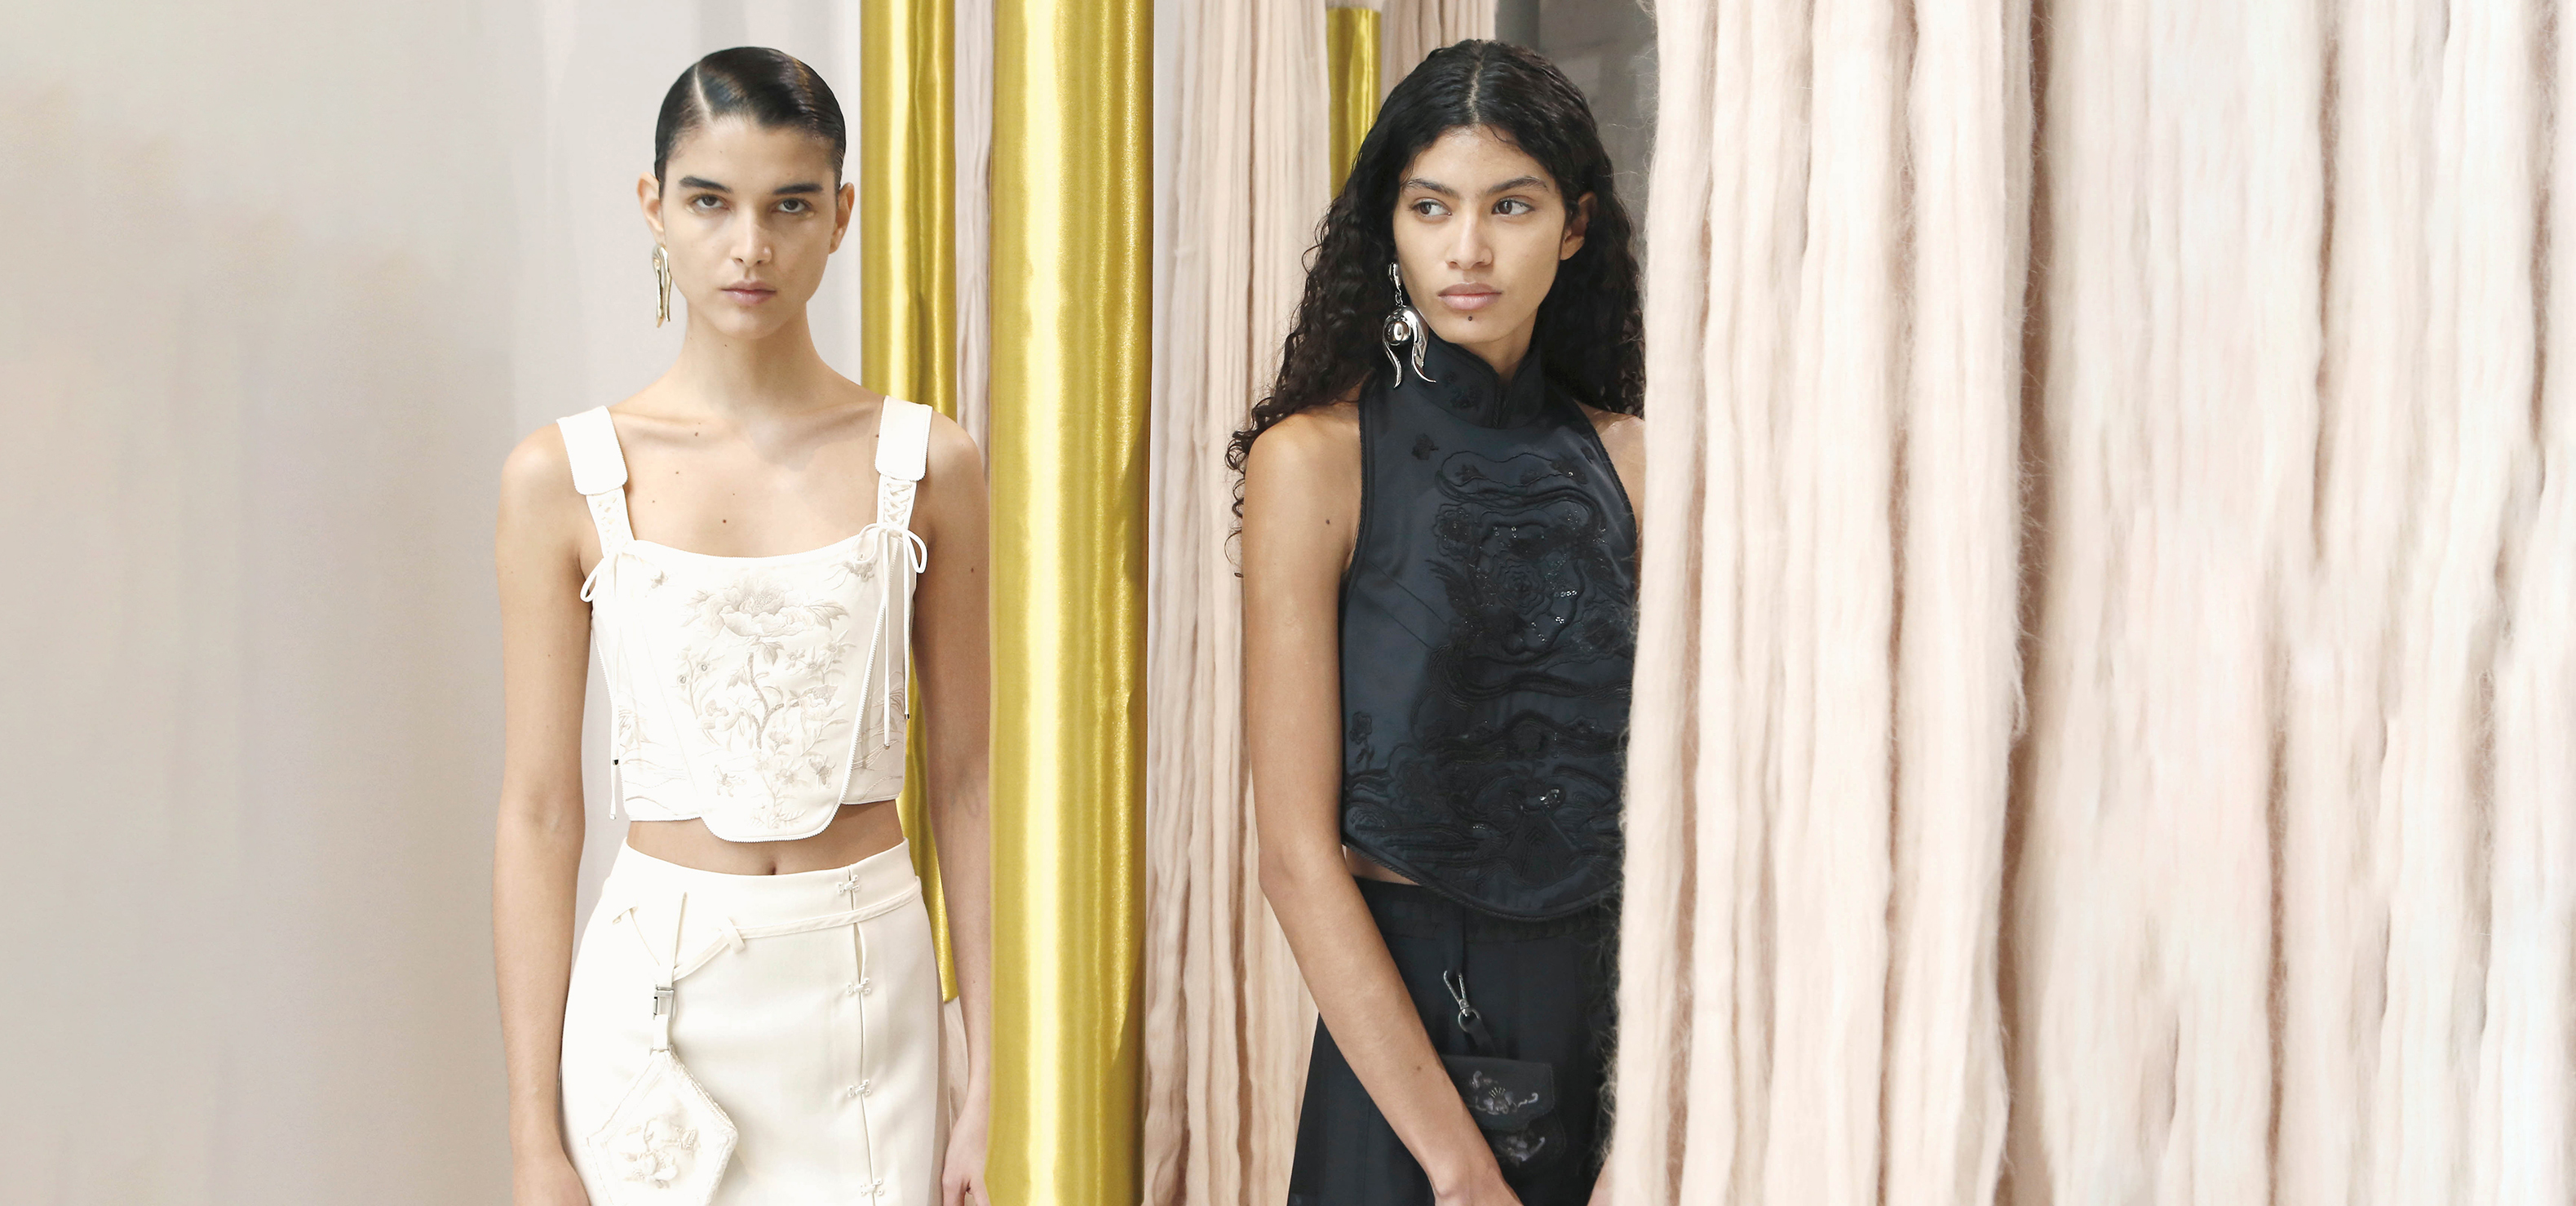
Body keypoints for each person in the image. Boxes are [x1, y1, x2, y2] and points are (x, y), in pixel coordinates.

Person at [491, 47, 992, 1206]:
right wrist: (531, 1134)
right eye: (711, 202)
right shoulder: (561, 476)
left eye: (789, 205)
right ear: (654, 206)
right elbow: (539, 808)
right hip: (653, 1012)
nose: (749, 246)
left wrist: (990, 1067)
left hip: (868, 1003)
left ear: (841, 215)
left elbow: (968, 784)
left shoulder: (927, 463)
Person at [1235, 40, 1644, 1206]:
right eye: (1431, 207)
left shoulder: (1641, 463)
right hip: (1400, 1049)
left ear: (1573, 226)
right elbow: (1294, 854)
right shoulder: (1312, 461)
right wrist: (1459, 1170)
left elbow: (1697, 816)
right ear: (1390, 226)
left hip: (1612, 1033)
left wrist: (1658, 1114)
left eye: (1510, 205)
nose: (1467, 249)